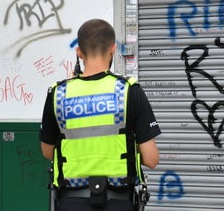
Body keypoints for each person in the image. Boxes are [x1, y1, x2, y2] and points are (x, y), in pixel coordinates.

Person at [40, 19, 161, 210]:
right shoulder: (129, 91)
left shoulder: (58, 94)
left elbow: (48, 152)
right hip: (118, 202)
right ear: (113, 49)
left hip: (71, 202)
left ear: (78, 52)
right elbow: (151, 159)